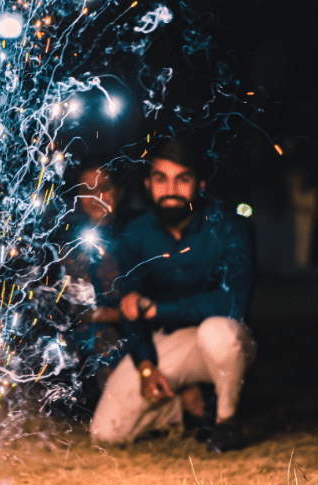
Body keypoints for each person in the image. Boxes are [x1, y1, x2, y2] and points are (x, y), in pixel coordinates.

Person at [89, 140, 256, 452]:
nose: (171, 190)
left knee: (217, 334)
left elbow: (232, 303)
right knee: (105, 433)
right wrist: (145, 366)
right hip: (171, 342)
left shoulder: (229, 228)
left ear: (200, 185)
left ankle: (226, 421)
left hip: (227, 339)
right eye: (161, 179)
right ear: (148, 184)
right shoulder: (136, 235)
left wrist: (157, 309)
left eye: (183, 179)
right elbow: (132, 308)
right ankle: (186, 407)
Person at [65, 165, 131, 408]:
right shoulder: (69, 243)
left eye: (103, 188)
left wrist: (116, 313)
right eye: (87, 190)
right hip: (85, 335)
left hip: (129, 330)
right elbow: (72, 306)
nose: (95, 197)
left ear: (119, 191)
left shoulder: (134, 237)